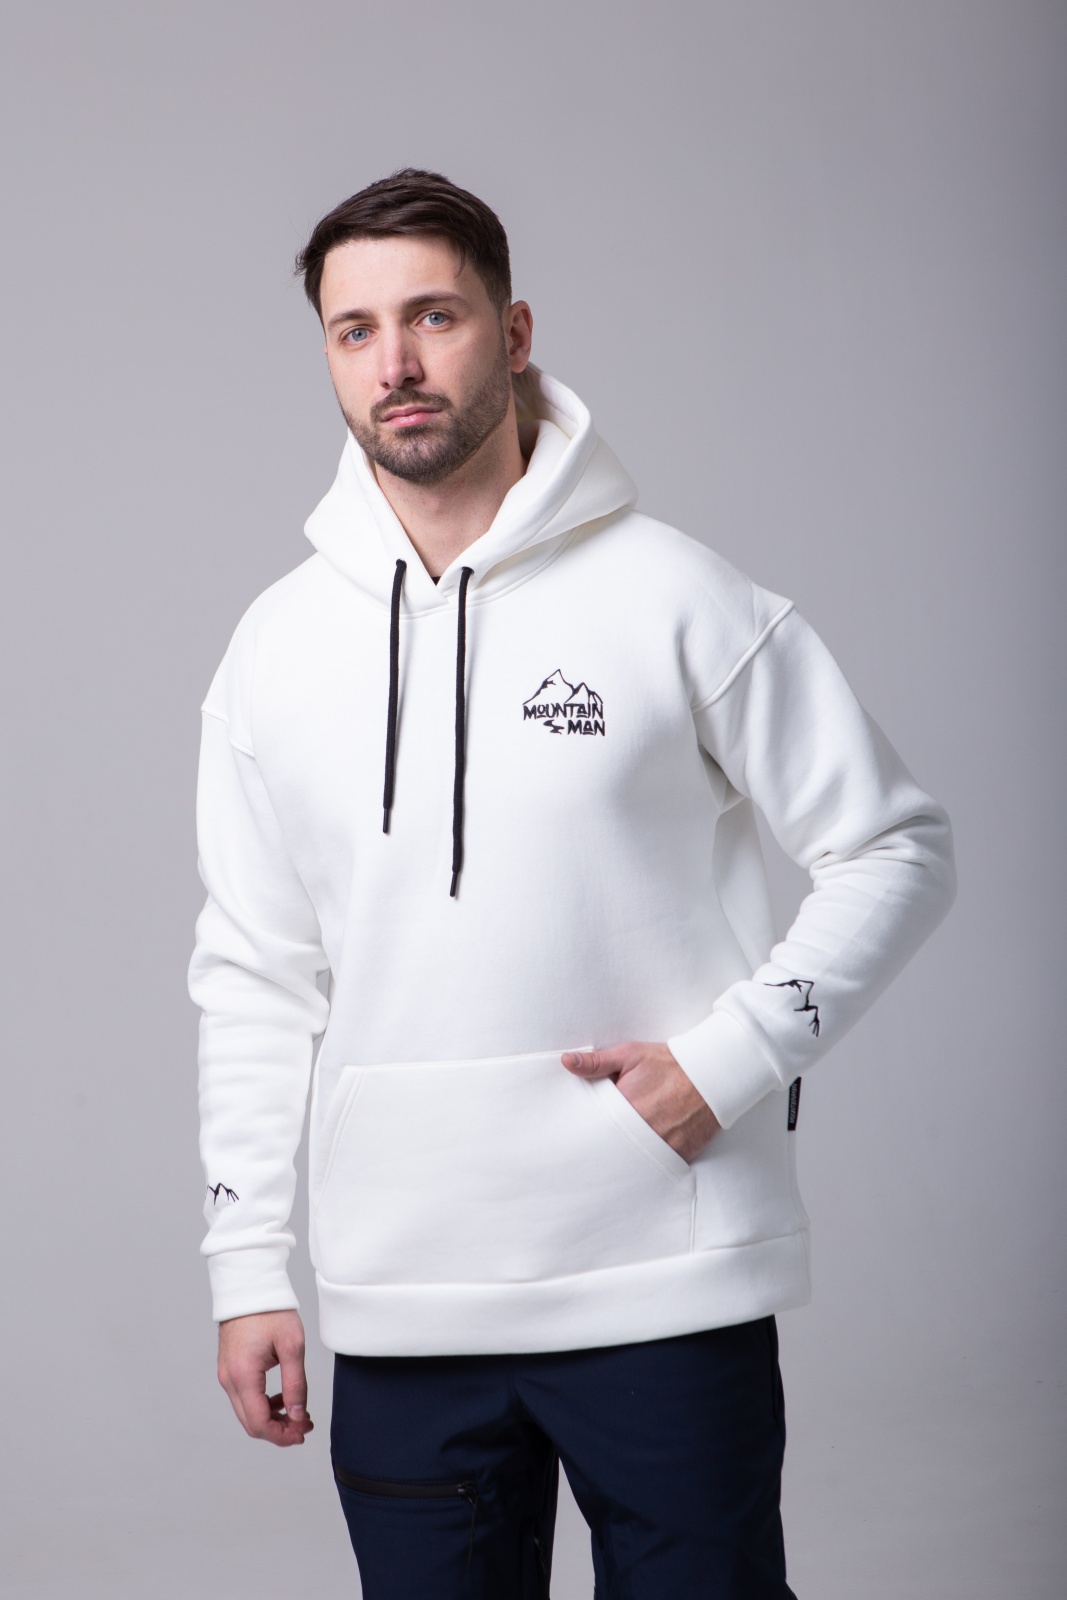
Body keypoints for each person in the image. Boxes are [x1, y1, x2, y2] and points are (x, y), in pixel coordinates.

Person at [189, 168, 956, 1598]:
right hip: (406, 1298)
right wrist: (246, 1266)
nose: (396, 363)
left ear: (516, 330)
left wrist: (733, 1059)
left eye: (434, 315)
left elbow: (896, 844)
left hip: (665, 1280)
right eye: (355, 330)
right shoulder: (273, 651)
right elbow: (253, 971)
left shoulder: (678, 597)